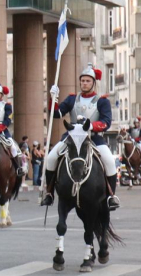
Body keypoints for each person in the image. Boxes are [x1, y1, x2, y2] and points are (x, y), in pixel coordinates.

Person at [42, 64, 119, 211]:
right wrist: (53, 99)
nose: (84, 83)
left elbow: (106, 122)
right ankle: (50, 193)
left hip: (93, 137)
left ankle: (111, 196)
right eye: (82, 80)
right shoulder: (72, 99)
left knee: (109, 161)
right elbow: (57, 114)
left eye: (88, 81)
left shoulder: (102, 101)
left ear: (93, 83)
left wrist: (92, 125)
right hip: (72, 137)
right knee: (51, 157)